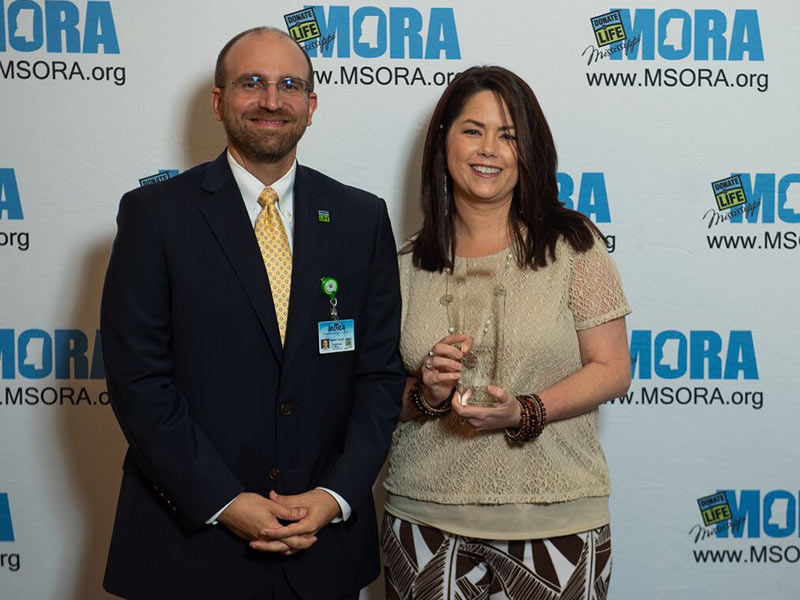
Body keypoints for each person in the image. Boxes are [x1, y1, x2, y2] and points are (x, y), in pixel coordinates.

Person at [101, 26, 405, 600]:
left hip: (321, 555)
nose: (272, 99)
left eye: (290, 85)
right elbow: (138, 380)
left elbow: (380, 377)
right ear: (219, 101)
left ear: (311, 106)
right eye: (252, 84)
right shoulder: (155, 216)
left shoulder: (361, 218)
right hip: (187, 550)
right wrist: (223, 501)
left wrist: (335, 496)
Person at [381, 66, 632, 600]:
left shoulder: (574, 244)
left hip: (556, 523)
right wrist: (426, 393)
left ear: (529, 151)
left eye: (508, 134)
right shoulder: (403, 263)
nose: (488, 149)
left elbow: (612, 369)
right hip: (423, 523)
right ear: (443, 141)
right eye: (472, 130)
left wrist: (526, 410)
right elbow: (376, 395)